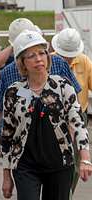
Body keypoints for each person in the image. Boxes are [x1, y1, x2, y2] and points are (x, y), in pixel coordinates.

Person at [1, 30, 92, 200]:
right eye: (31, 55)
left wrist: (85, 158)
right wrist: (6, 176)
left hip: (60, 164)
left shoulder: (63, 86)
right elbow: (7, 134)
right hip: (25, 166)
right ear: (22, 62)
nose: (38, 58)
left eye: (42, 53)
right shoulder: (13, 92)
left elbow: (77, 122)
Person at [0, 19, 81, 168]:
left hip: (56, 143)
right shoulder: (8, 73)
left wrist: (73, 132)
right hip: (24, 148)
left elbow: (74, 101)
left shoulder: (58, 64)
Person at [51, 27, 92, 193]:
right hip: (53, 117)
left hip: (77, 115)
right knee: (54, 160)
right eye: (63, 54)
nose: (67, 58)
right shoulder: (48, 61)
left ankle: (67, 193)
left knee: (74, 161)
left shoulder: (84, 61)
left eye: (70, 55)